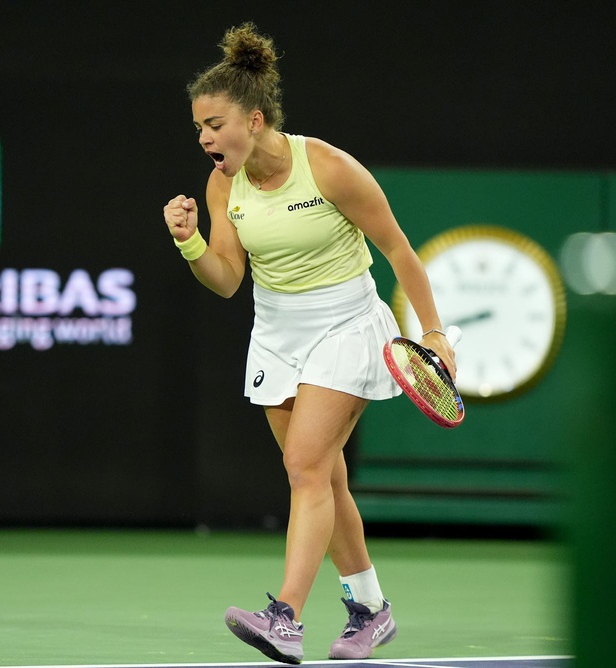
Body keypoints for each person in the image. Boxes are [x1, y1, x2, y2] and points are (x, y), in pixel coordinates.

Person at [162, 22, 456, 665]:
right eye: (199, 129)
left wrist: (431, 332)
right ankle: (371, 610)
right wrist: (188, 243)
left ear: (256, 119)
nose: (206, 138)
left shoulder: (327, 166)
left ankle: (285, 616)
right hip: (275, 334)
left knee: (303, 468)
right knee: (324, 478)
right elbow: (227, 278)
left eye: (215, 124)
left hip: (346, 324)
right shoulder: (223, 187)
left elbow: (399, 249)